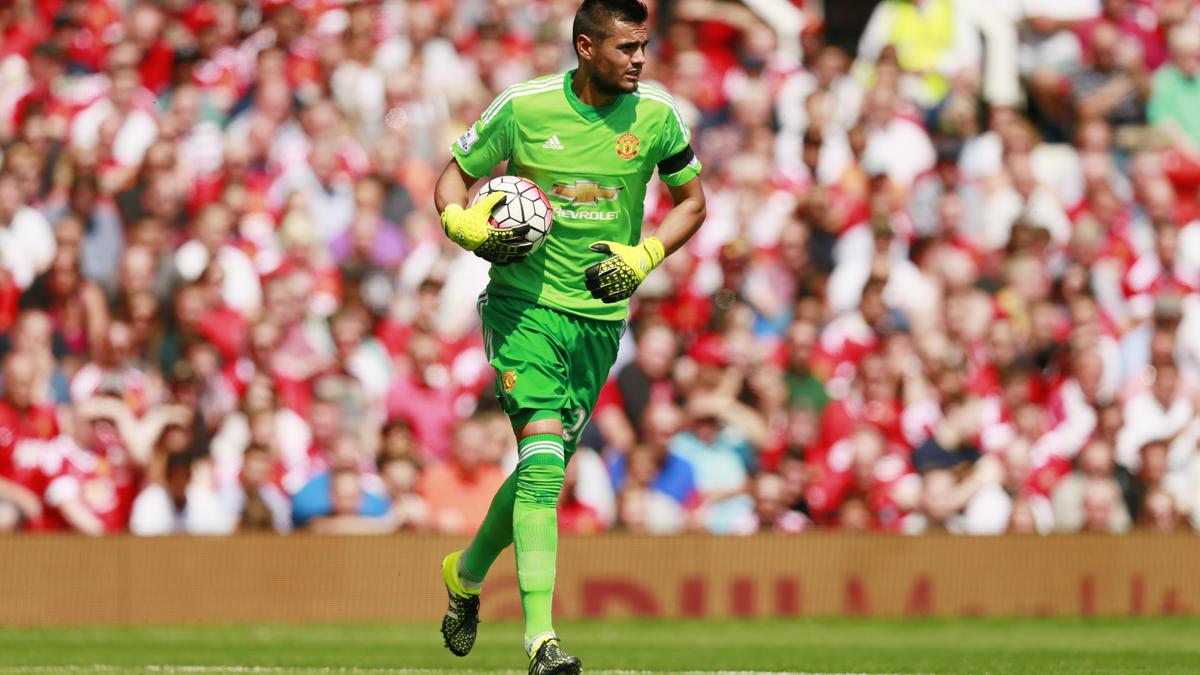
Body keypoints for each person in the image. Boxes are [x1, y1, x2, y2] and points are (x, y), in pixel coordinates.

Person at [431, 1, 706, 671]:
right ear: (586, 47)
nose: (639, 59)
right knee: (545, 467)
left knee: (541, 469)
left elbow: (693, 203)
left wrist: (646, 255)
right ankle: (541, 642)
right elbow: (452, 179)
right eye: (625, 48)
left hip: (600, 322)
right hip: (523, 309)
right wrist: (461, 224)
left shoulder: (657, 117)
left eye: (642, 46)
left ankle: (464, 575)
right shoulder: (523, 107)